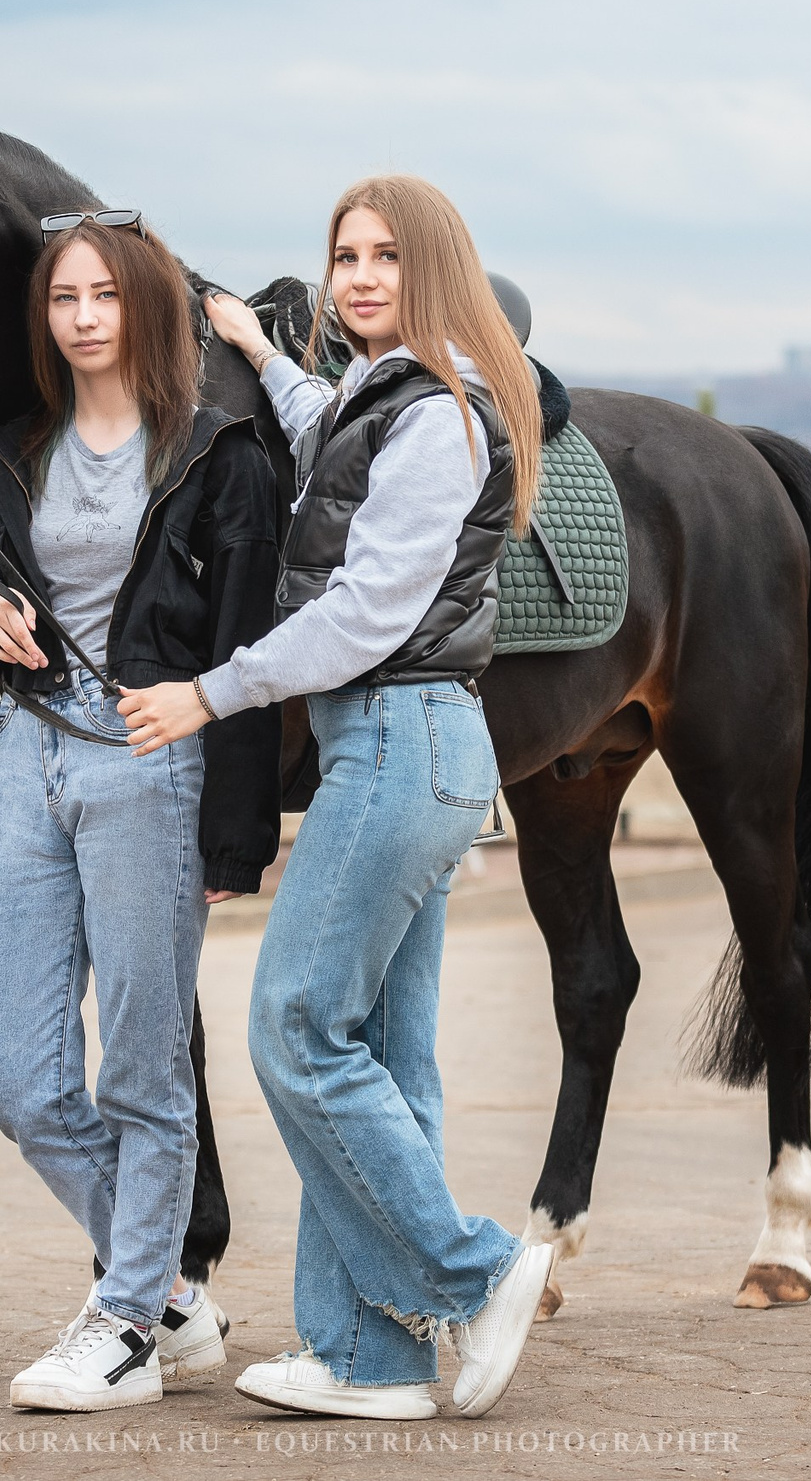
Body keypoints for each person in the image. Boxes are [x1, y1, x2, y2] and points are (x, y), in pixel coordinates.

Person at [118, 175, 556, 1421]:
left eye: (388, 257)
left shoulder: (440, 415)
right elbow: (327, 436)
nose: (362, 276)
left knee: (295, 1027)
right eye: (346, 256)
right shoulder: (386, 393)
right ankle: (366, 1358)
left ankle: (472, 1269)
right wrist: (260, 349)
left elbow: (367, 611)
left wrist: (214, 691)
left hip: (395, 741)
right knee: (378, 1054)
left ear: (437, 269)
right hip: (406, 748)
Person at [0, 212, 282, 1412]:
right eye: (63, 298)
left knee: (141, 1070)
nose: (81, 316)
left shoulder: (218, 453)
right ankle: (176, 1294)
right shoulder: (12, 449)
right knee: (21, 1076)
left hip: (149, 764)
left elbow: (243, 644)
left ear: (147, 309)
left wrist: (239, 825)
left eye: (104, 295)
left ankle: (129, 1317)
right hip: (27, 756)